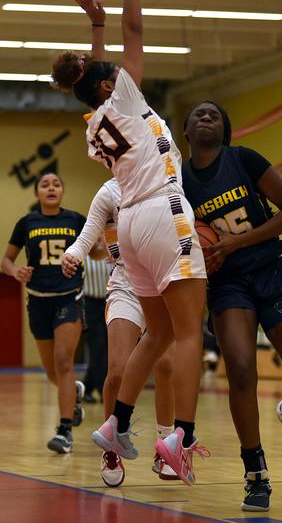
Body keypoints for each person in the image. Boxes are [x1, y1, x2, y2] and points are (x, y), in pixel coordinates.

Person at [51, 0, 208, 485]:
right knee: (189, 335)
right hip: (163, 210)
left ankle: (116, 424)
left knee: (159, 333)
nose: (120, 68)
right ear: (108, 83)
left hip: (133, 226)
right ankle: (179, 438)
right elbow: (135, 31)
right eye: (111, 69)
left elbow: (90, 75)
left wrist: (94, 29)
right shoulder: (124, 95)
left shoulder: (95, 123)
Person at [182, 101, 282, 510]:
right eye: (198, 115)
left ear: (225, 129)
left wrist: (236, 243)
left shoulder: (243, 160)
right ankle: (255, 470)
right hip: (227, 284)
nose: (207, 117)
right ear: (185, 132)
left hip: (271, 269)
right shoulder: (180, 181)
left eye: (215, 114)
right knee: (240, 370)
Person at [62, 177, 180, 485]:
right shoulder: (108, 191)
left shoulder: (169, 182)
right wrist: (74, 253)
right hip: (126, 284)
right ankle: (111, 446)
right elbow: (88, 237)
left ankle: (166, 446)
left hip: (162, 281)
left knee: (166, 365)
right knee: (116, 371)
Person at [0, 173, 95, 454]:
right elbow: (6, 260)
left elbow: (98, 253)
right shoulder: (26, 223)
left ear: (62, 192)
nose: (51, 188)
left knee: (64, 363)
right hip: (38, 301)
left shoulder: (76, 220)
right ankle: (74, 396)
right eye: (45, 184)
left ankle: (64, 431)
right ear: (37, 194)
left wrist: (102, 245)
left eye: (56, 184)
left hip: (68, 297)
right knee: (53, 373)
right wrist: (16, 271)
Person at [83, 250, 110, 403]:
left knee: (106, 347)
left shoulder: (111, 253)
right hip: (90, 304)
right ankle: (103, 390)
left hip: (108, 302)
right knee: (97, 345)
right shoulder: (84, 255)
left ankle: (87, 387)